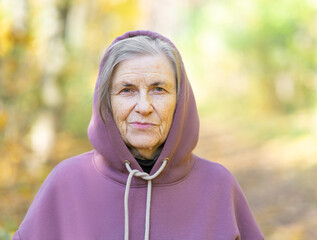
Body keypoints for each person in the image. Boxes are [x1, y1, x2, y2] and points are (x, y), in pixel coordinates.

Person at [13, 30, 264, 240]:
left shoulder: (218, 185)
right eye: (127, 90)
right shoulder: (66, 183)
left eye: (158, 89)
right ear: (107, 102)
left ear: (180, 100)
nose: (144, 107)